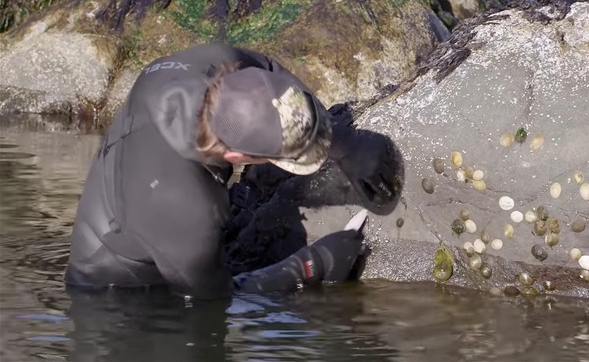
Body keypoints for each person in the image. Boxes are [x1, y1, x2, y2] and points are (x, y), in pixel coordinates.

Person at [64, 43, 396, 299]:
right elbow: (213, 299)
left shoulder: (196, 66)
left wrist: (342, 144)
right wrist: (313, 265)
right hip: (119, 296)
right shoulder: (187, 208)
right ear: (237, 155)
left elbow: (268, 69)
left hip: (154, 220)